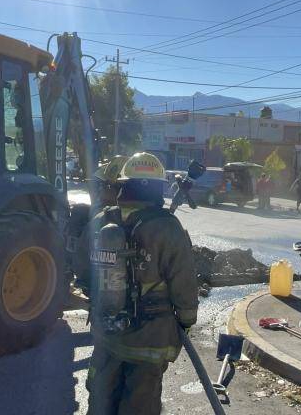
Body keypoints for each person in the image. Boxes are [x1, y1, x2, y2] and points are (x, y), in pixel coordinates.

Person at [86, 152, 199, 415]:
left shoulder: (102, 220)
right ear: (159, 188)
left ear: (124, 184)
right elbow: (184, 283)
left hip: (107, 332)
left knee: (102, 398)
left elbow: (82, 269)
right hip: (150, 339)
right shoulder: (168, 227)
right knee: (140, 404)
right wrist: (186, 320)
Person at [72, 155, 129, 294]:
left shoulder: (101, 220)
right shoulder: (104, 218)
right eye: (101, 186)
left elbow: (81, 263)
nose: (100, 191)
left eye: (104, 186)